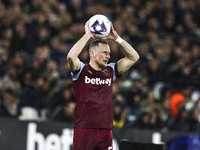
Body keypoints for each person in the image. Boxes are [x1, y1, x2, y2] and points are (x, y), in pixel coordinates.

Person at [67, 19, 139, 150]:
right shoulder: (81, 70)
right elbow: (71, 57)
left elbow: (134, 57)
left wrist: (116, 38)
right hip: (84, 129)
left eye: (109, 53)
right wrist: (88, 35)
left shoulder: (110, 71)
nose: (108, 56)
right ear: (92, 53)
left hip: (105, 130)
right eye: (104, 52)